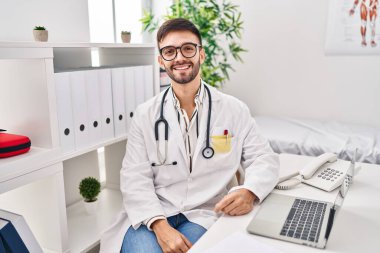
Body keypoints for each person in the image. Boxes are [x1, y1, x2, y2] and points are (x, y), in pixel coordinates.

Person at [100, 18, 279, 253]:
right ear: (161, 61)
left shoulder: (234, 110)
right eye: (169, 51)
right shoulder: (145, 115)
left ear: (201, 54)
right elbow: (134, 177)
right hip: (153, 212)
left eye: (187, 48)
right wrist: (159, 225)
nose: (179, 58)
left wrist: (250, 190)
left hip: (203, 212)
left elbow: (264, 158)